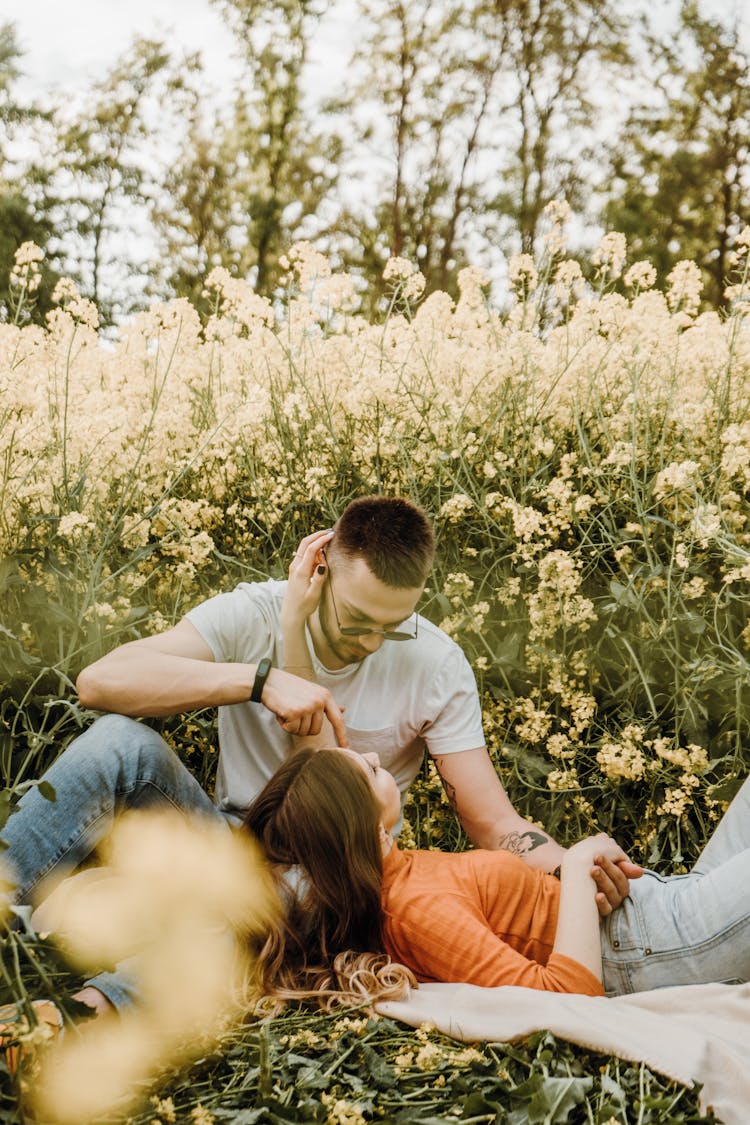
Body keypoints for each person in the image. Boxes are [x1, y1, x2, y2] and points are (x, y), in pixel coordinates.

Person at [1, 496, 633, 1013]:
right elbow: (100, 682)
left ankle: (86, 1015)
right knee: (121, 743)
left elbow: (494, 822)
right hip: (231, 833)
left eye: (394, 626)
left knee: (274, 893)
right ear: (321, 565)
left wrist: (570, 876)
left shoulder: (437, 662)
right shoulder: (250, 611)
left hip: (335, 875)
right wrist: (257, 678)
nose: (372, 641)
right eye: (358, 620)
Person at [245, 746, 750, 1007]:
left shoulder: (397, 869)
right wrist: (576, 867)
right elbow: (567, 1000)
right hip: (665, 943)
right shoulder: (415, 912)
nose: (378, 758)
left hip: (668, 900)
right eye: (369, 772)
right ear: (364, 830)